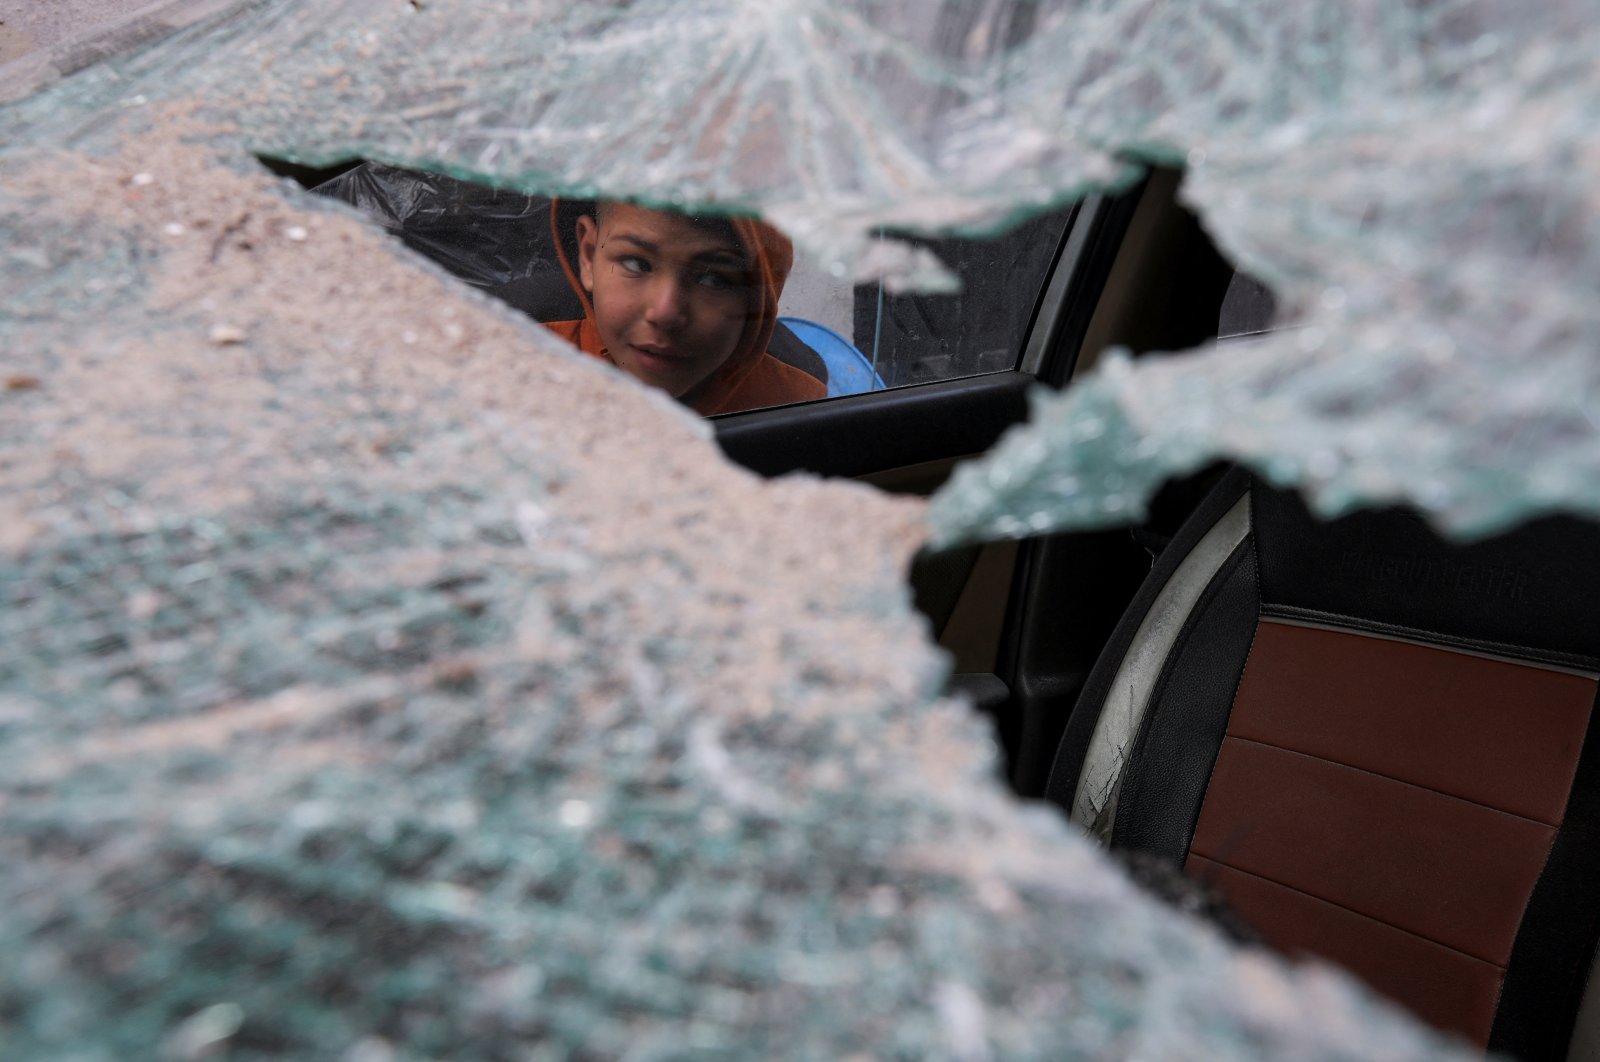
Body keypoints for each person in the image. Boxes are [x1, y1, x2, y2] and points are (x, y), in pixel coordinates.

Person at [545, 200, 825, 415]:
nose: (664, 312)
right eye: (636, 264)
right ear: (589, 255)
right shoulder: (525, 368)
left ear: (760, 298)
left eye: (713, 279)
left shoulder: (793, 408)